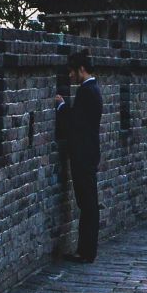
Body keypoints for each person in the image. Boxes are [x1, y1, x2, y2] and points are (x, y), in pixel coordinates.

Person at [54, 47, 103, 261]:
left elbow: (76, 123)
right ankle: (85, 250)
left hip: (83, 155)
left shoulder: (86, 91)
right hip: (89, 152)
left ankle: (86, 252)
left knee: (87, 203)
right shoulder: (93, 89)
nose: (71, 76)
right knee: (88, 203)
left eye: (72, 72)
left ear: (81, 69)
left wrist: (62, 107)